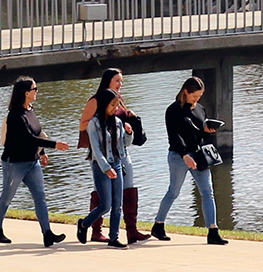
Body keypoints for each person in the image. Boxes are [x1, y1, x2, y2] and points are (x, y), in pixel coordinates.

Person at [0, 77, 70, 246]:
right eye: (35, 89)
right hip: (14, 163)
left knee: (40, 197)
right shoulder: (15, 115)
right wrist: (54, 145)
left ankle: (47, 233)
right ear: (26, 93)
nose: (37, 92)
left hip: (32, 162)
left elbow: (38, 133)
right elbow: (29, 138)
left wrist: (42, 153)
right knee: (7, 196)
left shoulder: (30, 109)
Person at [152, 75, 227, 245]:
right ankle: (158, 225)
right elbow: (174, 136)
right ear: (186, 92)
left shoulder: (200, 109)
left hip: (198, 155)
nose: (197, 99)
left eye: (199, 96)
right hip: (179, 156)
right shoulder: (173, 110)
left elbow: (199, 135)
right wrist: (185, 155)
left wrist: (207, 131)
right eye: (194, 96)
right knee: (174, 192)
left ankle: (213, 230)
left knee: (208, 191)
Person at [75, 69, 147, 242]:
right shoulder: (97, 101)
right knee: (103, 197)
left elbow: (124, 137)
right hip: (102, 155)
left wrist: (128, 121)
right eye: (117, 81)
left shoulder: (118, 101)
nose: (120, 84)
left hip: (120, 153)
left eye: (121, 81)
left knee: (126, 192)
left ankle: (129, 231)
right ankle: (95, 229)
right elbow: (83, 125)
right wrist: (100, 126)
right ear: (107, 81)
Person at [77, 88, 132, 248]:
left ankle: (114, 237)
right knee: (105, 205)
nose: (116, 108)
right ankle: (84, 224)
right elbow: (95, 149)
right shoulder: (94, 123)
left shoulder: (117, 122)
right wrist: (106, 168)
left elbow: (125, 145)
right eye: (113, 105)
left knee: (117, 205)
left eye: (117, 105)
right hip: (101, 166)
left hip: (117, 163)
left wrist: (128, 133)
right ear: (104, 104)